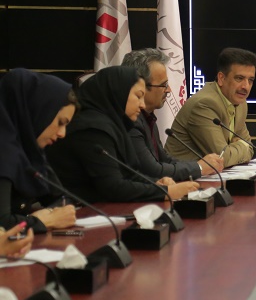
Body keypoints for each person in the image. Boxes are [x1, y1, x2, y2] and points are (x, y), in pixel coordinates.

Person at [48, 66, 198, 203]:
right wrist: (166, 192)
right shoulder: (93, 128)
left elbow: (129, 174)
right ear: (117, 93)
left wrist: (155, 183)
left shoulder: (114, 124)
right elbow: (113, 187)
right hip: (76, 212)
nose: (142, 105)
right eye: (138, 96)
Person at [122, 49, 224, 180]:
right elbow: (153, 171)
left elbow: (165, 160)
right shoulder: (131, 121)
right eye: (163, 85)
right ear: (140, 85)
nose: (169, 90)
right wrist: (199, 167)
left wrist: (201, 165)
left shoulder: (147, 117)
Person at [0, 69, 78, 234]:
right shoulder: (4, 151)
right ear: (36, 111)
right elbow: (2, 224)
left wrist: (49, 215)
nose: (62, 134)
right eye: (60, 122)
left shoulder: (28, 151)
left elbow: (63, 200)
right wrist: (45, 220)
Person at [165, 48, 256, 168]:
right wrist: (241, 146)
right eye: (239, 78)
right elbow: (222, 157)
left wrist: (236, 148)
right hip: (182, 175)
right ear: (221, 78)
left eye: (250, 80)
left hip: (215, 174)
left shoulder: (240, 103)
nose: (246, 86)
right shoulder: (204, 104)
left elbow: (250, 148)